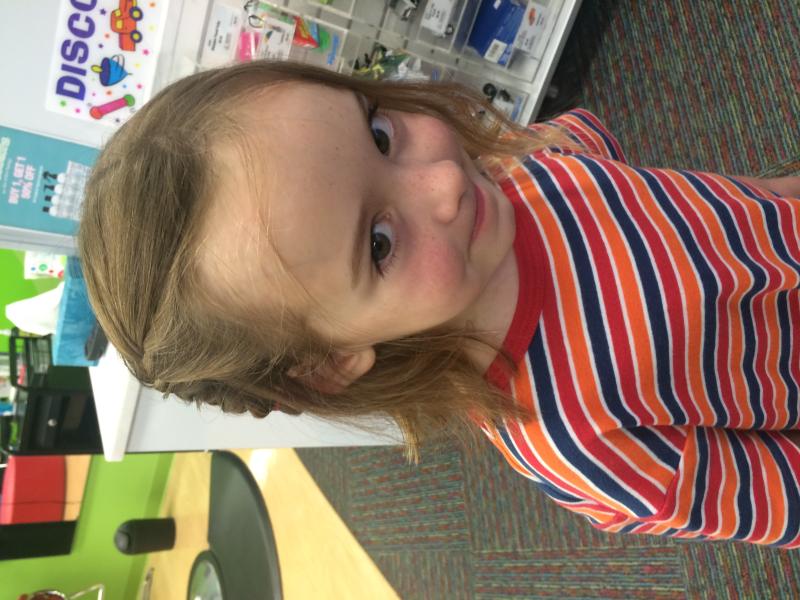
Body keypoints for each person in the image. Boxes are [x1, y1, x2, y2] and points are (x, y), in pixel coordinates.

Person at [78, 60, 800, 547]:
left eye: (379, 133)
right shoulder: (575, 437)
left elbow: (672, 197)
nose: (445, 182)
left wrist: (773, 199)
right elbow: (773, 495)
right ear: (331, 361)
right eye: (380, 244)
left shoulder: (516, 168)